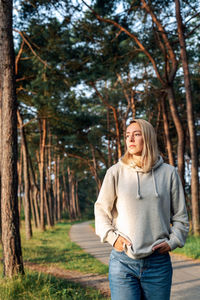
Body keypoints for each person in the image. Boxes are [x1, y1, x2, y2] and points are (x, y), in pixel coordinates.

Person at [94, 119, 189, 300]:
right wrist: (112, 237)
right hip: (123, 262)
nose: (130, 139)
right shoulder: (115, 172)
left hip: (158, 264)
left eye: (136, 134)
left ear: (148, 138)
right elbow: (101, 210)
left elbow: (180, 216)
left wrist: (174, 240)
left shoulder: (169, 173)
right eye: (127, 135)